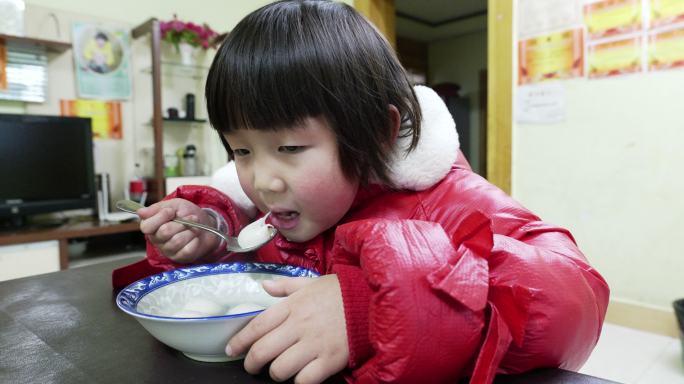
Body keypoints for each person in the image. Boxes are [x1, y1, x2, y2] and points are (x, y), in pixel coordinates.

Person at [112, 1, 609, 383]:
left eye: (289, 145)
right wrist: (212, 231)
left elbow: (574, 302)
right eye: (241, 151)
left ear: (376, 133)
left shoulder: (453, 200)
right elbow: (249, 254)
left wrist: (376, 307)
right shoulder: (288, 209)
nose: (262, 181)